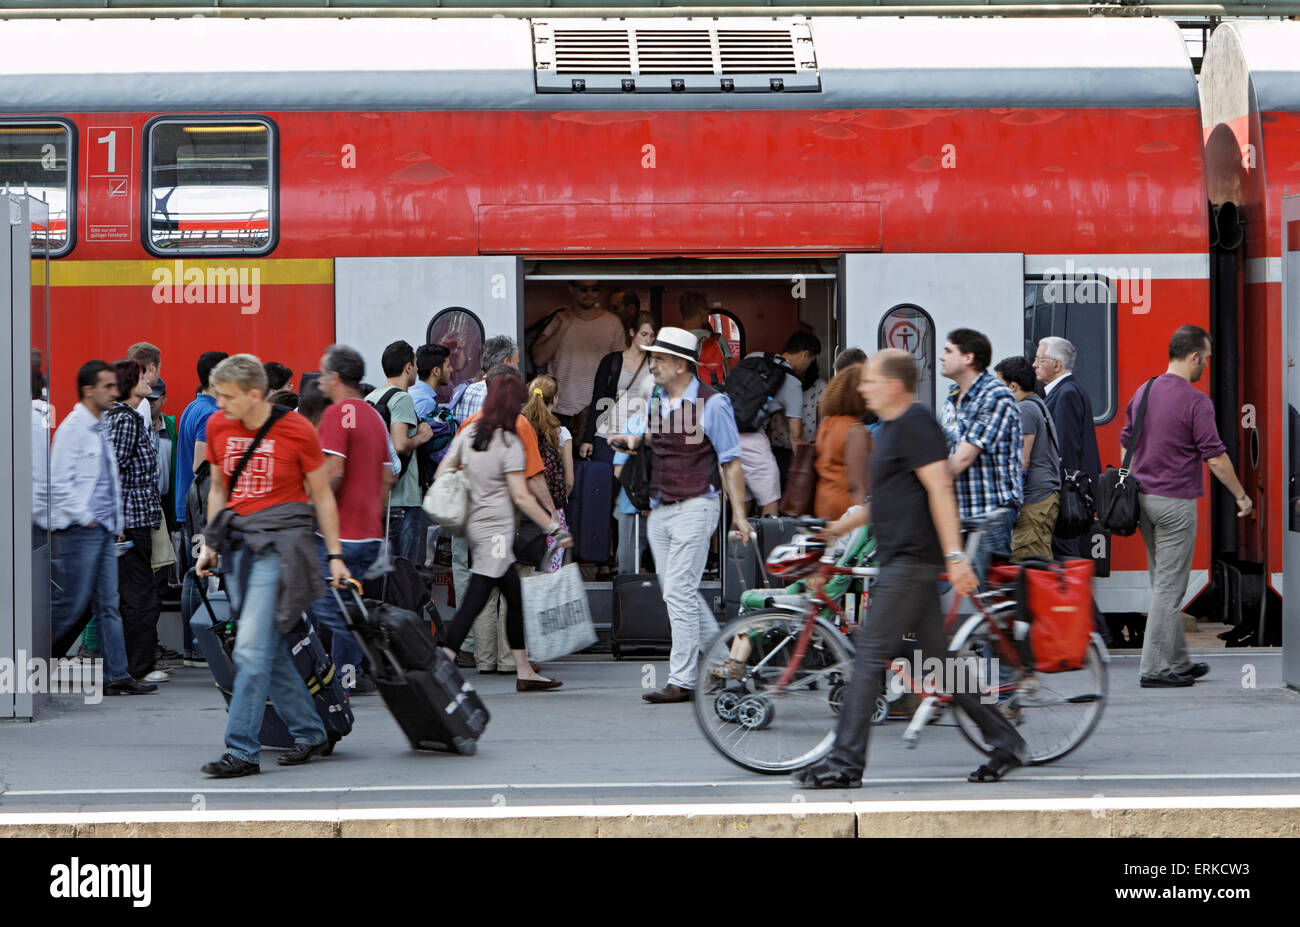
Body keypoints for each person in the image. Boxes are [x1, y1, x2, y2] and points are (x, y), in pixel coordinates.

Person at [796, 349, 1028, 788]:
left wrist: (956, 556)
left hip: (912, 562)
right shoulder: (893, 431)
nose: (862, 387)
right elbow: (879, 502)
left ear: (894, 385)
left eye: (870, 381)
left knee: (868, 658)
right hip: (901, 560)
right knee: (934, 662)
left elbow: (940, 490)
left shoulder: (917, 424)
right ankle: (1006, 739)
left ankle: (845, 763)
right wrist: (833, 531)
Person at [196, 354, 351, 777]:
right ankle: (309, 730)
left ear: (253, 394)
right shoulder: (217, 426)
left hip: (281, 550)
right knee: (269, 645)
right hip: (239, 547)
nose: (220, 404)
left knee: (248, 648)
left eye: (227, 397)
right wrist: (210, 544)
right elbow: (218, 488)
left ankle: (242, 750)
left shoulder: (296, 429)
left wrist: (335, 555)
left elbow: (321, 496)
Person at [614, 327, 750, 704]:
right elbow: (652, 438)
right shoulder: (658, 397)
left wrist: (738, 514)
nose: (652, 364)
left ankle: (683, 680)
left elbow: (731, 462)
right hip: (660, 508)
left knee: (677, 592)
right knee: (681, 593)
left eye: (658, 359)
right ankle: (727, 665)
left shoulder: (714, 404)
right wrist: (631, 441)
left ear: (679, 364)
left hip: (696, 505)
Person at [1121, 325, 1251, 688]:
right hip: (1175, 504)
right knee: (1169, 588)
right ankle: (1154, 669)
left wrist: (1134, 481)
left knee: (1162, 581)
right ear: (1193, 356)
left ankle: (1177, 659)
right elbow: (1216, 458)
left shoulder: (1143, 391)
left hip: (1143, 501)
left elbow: (1126, 445)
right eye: (1206, 360)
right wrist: (1241, 495)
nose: (1206, 366)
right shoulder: (1196, 401)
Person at [433, 372, 573, 690]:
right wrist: (554, 526)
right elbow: (523, 494)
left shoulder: (469, 432)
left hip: (476, 528)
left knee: (510, 595)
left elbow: (444, 471)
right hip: (497, 533)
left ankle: (523, 670)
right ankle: (444, 659)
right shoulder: (509, 439)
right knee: (476, 599)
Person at [48, 361, 155, 696]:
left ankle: (116, 674)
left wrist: (114, 522)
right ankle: (22, 663)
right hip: (80, 530)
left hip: (103, 529)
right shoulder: (74, 428)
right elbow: (59, 481)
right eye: (107, 387)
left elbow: (108, 480)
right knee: (72, 605)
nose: (114, 391)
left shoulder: (99, 425)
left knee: (108, 603)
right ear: (88, 391)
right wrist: (87, 516)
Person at [300, 345, 393, 694]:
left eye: (323, 374)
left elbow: (334, 471)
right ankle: (347, 675)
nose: (321, 380)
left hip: (338, 533)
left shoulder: (337, 415)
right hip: (369, 534)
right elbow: (387, 480)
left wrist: (306, 504)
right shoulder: (373, 416)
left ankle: (325, 675)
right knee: (347, 604)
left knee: (321, 604)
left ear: (336, 377)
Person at [939, 328, 1023, 579]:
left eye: (948, 350)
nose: (941, 357)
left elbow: (964, 457)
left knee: (990, 595)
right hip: (961, 513)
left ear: (968, 357)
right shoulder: (952, 398)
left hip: (989, 514)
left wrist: (924, 482)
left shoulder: (996, 396)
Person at [105, 359, 166, 685]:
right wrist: (118, 523)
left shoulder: (125, 417)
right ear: (131, 382)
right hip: (130, 523)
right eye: (144, 377)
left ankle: (130, 666)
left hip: (133, 520)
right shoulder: (126, 421)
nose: (150, 382)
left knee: (133, 594)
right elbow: (112, 471)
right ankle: (135, 667)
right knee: (140, 596)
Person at [174, 350, 227, 668]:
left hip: (188, 506)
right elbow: (201, 466)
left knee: (192, 575)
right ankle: (195, 647)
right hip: (200, 509)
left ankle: (192, 646)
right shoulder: (208, 414)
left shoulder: (193, 408)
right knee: (197, 575)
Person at [734, 331, 820, 517]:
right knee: (770, 499)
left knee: (742, 502)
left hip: (726, 434)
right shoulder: (793, 384)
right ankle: (771, 542)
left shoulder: (754, 357)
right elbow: (795, 435)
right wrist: (807, 470)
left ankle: (736, 544)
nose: (808, 367)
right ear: (805, 354)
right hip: (752, 439)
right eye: (811, 361)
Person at [1034, 336, 1103, 560]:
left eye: (1039, 359)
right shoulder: (1065, 391)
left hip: (1065, 498)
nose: (1034, 364)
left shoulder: (1067, 394)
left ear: (1056, 364)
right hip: (1065, 496)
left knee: (1064, 561)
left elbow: (1063, 450)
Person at [367, 341, 434, 565]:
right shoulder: (402, 398)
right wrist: (422, 436)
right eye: (415, 365)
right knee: (406, 569)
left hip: (380, 496)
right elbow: (400, 445)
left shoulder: (371, 398)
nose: (416, 370)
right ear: (407, 367)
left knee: (386, 570)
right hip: (405, 499)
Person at [530, 280, 627, 426]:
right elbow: (538, 358)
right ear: (571, 289)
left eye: (594, 289)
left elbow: (622, 367)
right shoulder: (559, 317)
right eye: (583, 289)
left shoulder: (613, 322)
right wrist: (564, 326)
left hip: (598, 409)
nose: (589, 294)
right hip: (559, 408)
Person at [995, 355, 1061, 562]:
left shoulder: (1024, 409)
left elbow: (1022, 460)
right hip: (1043, 496)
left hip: (1035, 500)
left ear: (1012, 386)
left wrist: (1010, 495)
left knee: (1029, 562)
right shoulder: (1037, 404)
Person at [579, 312, 656, 461]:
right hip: (607, 433)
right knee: (605, 480)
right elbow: (598, 400)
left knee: (634, 482)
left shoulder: (654, 365)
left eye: (652, 336)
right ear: (632, 332)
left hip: (638, 435)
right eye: (644, 334)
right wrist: (588, 438)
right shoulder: (611, 361)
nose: (648, 340)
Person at [814, 362, 871, 522]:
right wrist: (862, 521)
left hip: (823, 502)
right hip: (845, 507)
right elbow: (856, 484)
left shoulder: (826, 423)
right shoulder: (855, 429)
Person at [452, 335, 518, 424]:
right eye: (516, 362)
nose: (517, 368)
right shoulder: (501, 396)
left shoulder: (460, 392)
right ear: (506, 362)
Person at [678, 291, 731, 387]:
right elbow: (728, 375)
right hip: (711, 397)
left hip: (685, 399)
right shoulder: (719, 340)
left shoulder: (672, 340)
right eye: (707, 308)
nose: (708, 312)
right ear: (701, 312)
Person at [412, 343, 452, 422]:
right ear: (436, 371)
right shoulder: (426, 403)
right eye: (448, 366)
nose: (451, 370)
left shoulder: (415, 392)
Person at [127, 342, 162, 432]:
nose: (159, 373)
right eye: (159, 368)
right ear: (152, 367)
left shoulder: (117, 396)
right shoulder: (142, 403)